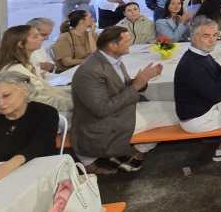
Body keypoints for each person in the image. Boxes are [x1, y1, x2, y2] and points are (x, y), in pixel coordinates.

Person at [71, 27, 167, 175]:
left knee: (164, 107)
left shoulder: (113, 61)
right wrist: (136, 85)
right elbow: (102, 109)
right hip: (104, 125)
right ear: (112, 45)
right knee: (166, 113)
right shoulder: (90, 71)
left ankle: (128, 152)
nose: (131, 43)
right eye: (127, 41)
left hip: (118, 112)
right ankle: (134, 151)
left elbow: (122, 88)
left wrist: (143, 80)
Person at [174, 17, 221, 169]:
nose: (212, 40)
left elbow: (217, 75)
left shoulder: (200, 54)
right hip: (197, 120)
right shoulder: (192, 64)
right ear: (192, 37)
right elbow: (216, 94)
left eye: (215, 35)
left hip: (201, 110)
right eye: (206, 36)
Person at [0, 25, 73, 115]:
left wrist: (74, 93)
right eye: (35, 36)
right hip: (34, 114)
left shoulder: (29, 63)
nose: (42, 38)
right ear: (21, 44)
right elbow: (43, 101)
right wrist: (76, 103)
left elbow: (48, 90)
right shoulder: (15, 71)